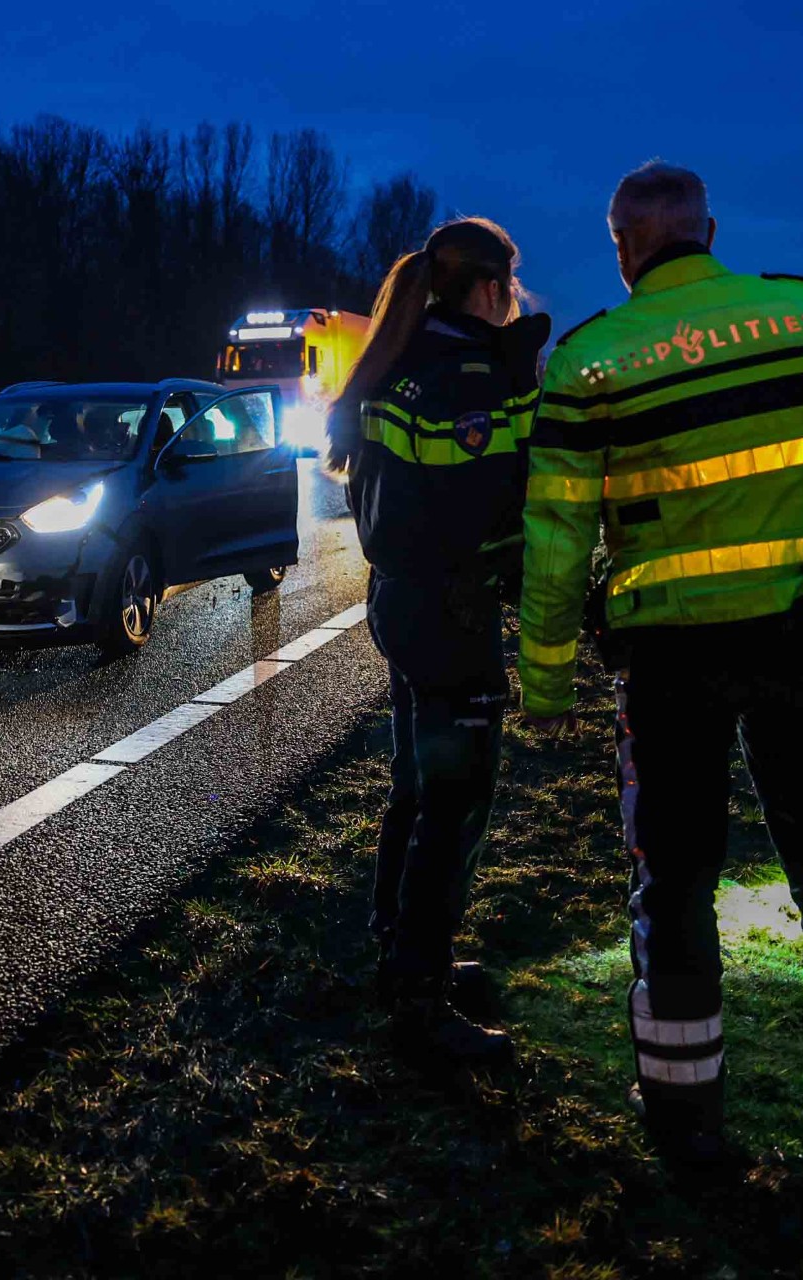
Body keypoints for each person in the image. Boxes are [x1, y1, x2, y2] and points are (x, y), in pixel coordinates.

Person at [518, 162, 803, 1166]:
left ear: (623, 243)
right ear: (711, 229)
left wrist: (550, 672)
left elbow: (558, 538)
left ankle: (686, 1127)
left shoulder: (591, 361)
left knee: (675, 887)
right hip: (801, 636)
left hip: (667, 662)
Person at [325, 218, 551, 1071]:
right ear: (488, 289)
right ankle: (421, 1002)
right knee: (453, 804)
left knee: (417, 787)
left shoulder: (400, 363)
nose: (517, 304)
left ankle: (401, 953)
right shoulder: (466, 379)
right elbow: (493, 513)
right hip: (451, 616)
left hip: (402, 602)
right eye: (513, 289)